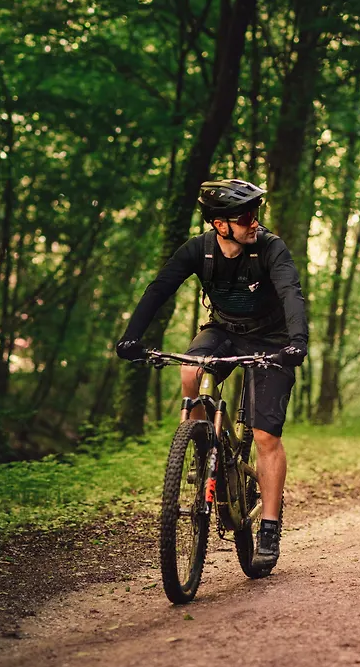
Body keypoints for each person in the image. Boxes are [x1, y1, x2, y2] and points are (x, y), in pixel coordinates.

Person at [116, 179, 308, 570]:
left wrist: (297, 342)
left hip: (271, 339)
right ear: (220, 225)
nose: (255, 223)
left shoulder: (271, 248)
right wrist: (132, 337)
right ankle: (205, 447)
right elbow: (159, 289)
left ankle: (269, 526)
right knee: (190, 371)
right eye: (245, 217)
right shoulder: (198, 251)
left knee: (266, 435)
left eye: (256, 214)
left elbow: (291, 293)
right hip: (222, 331)